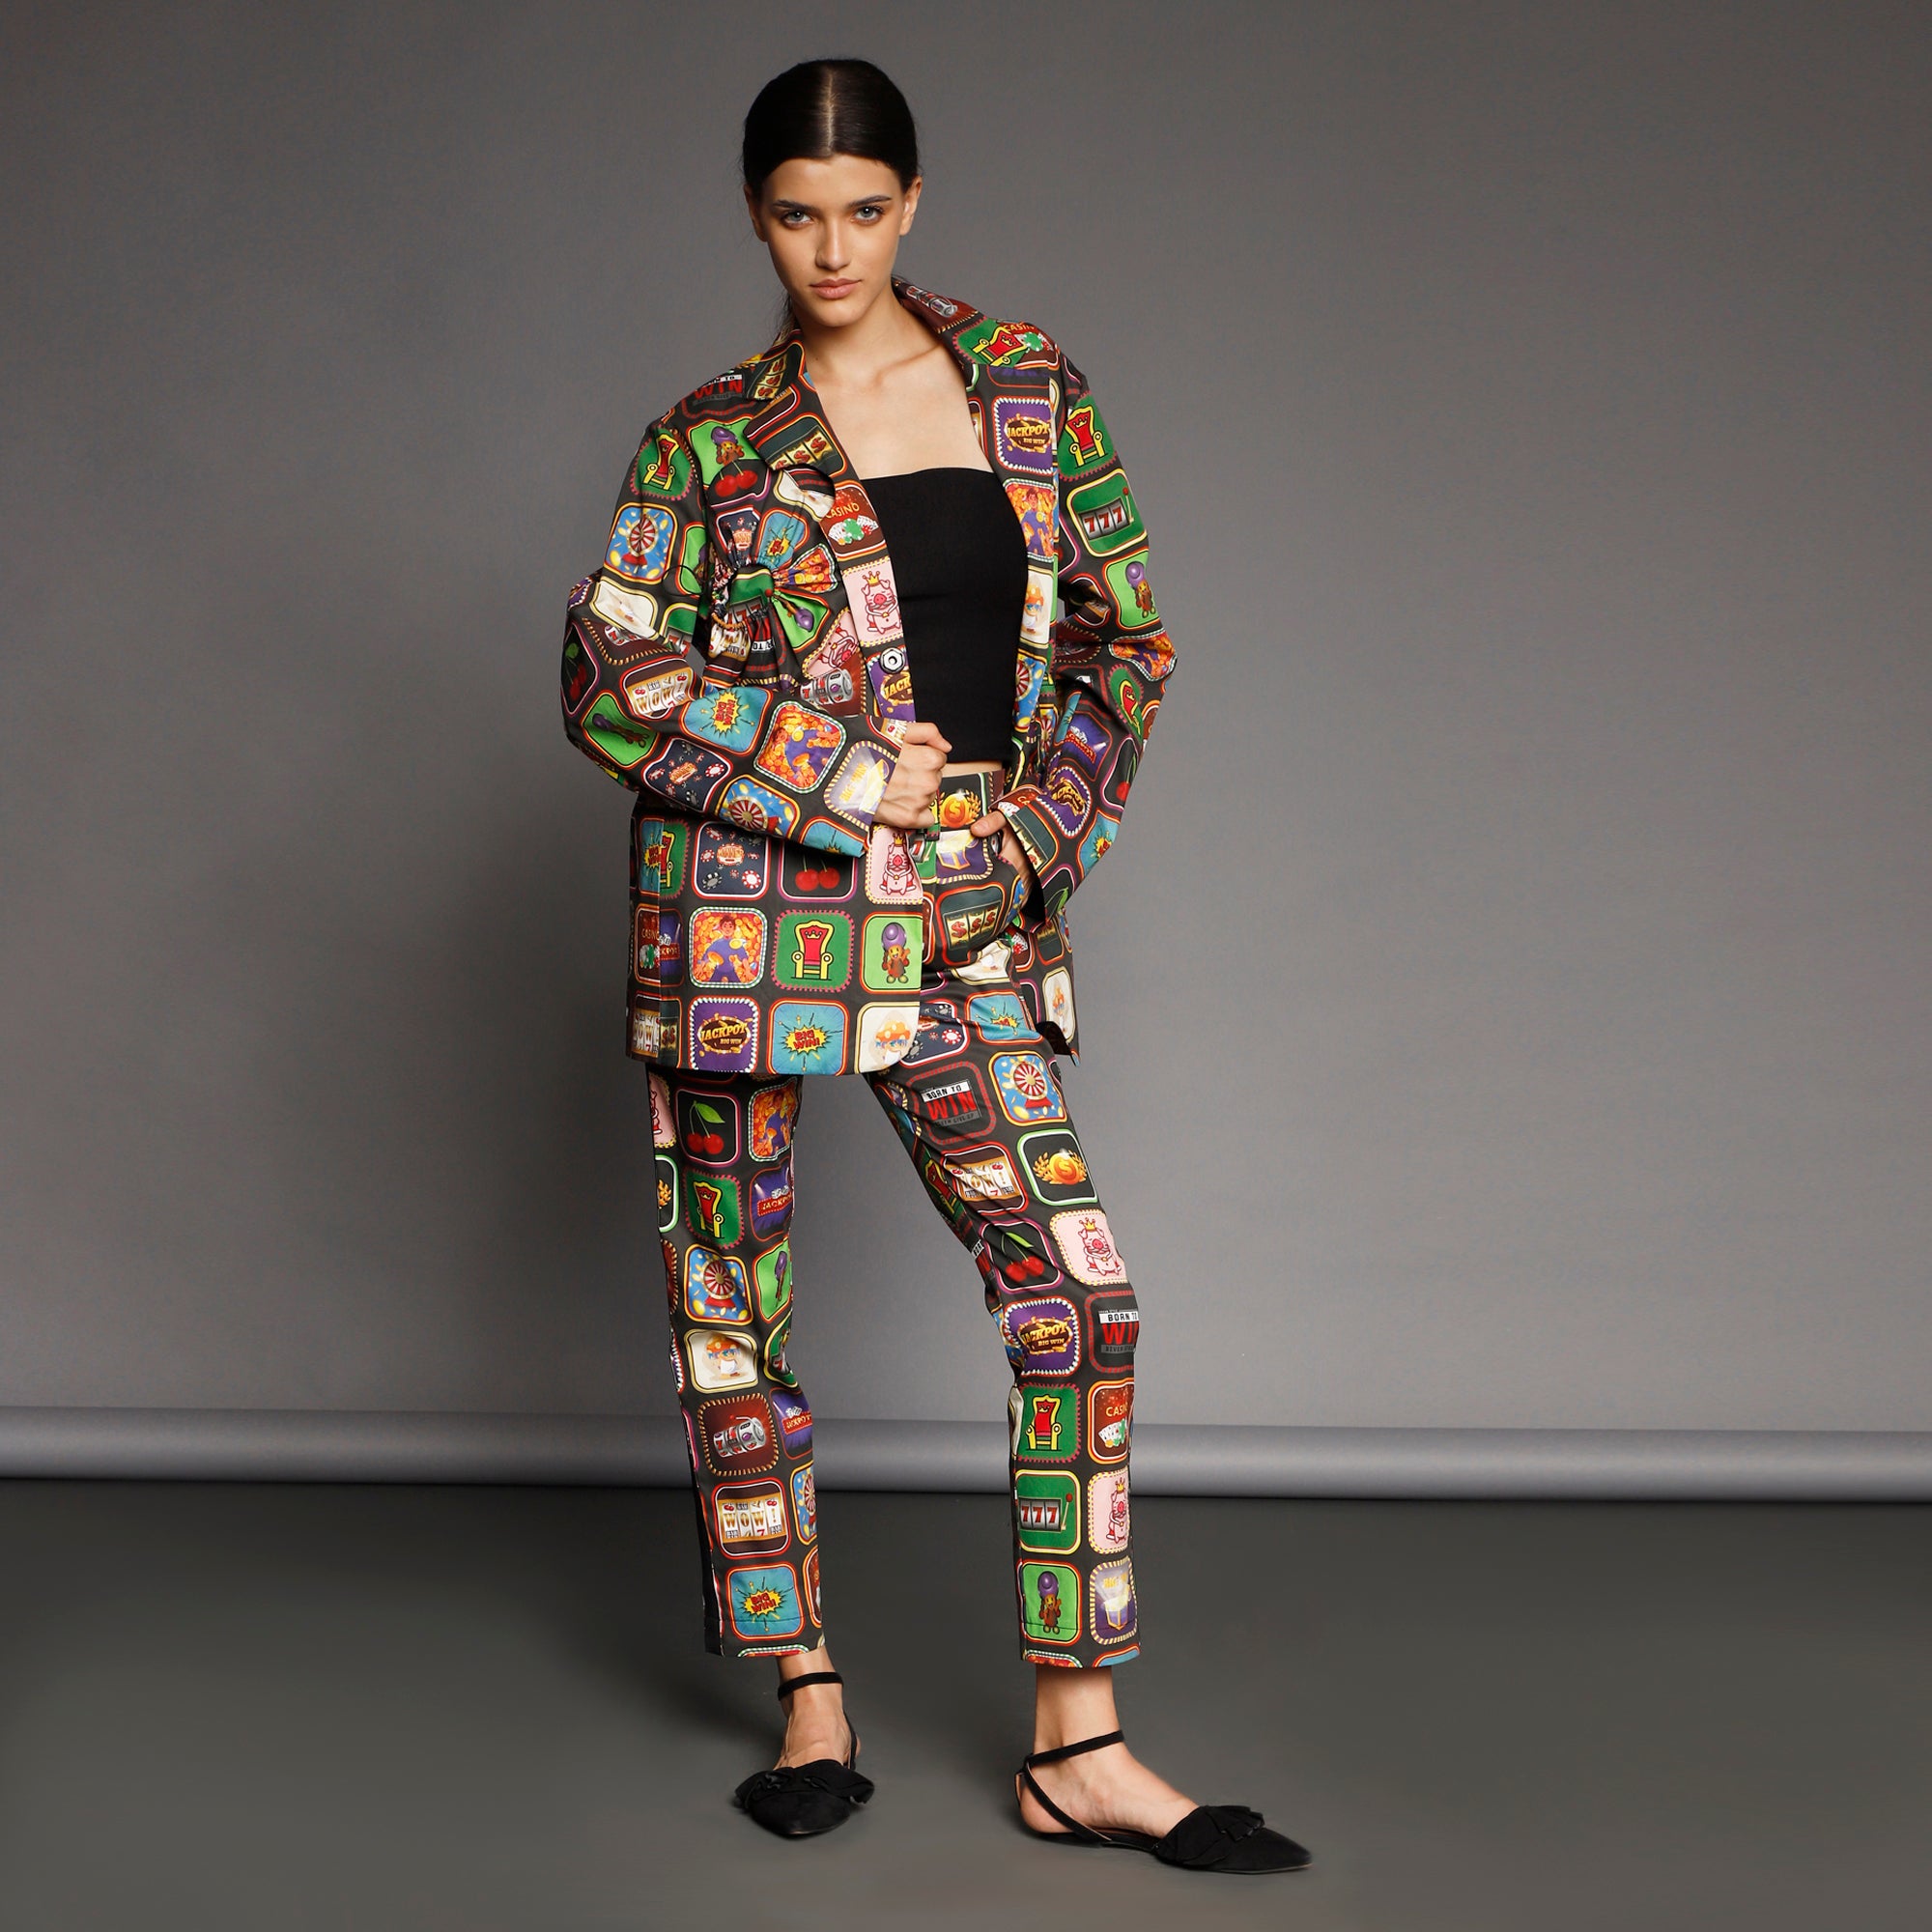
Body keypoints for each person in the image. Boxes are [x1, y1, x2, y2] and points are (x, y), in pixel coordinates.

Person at [559, 58, 1309, 1876]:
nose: (834, 251)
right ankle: (807, 1694)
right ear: (757, 217)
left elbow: (1126, 646)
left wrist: (1031, 841)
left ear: (913, 203)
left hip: (967, 909)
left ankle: (1080, 1746)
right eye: (797, 215)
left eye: (866, 211)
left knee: (1080, 1296)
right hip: (744, 919)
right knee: (734, 1309)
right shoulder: (704, 442)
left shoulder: (1030, 393)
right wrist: (830, 768)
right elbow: (610, 676)